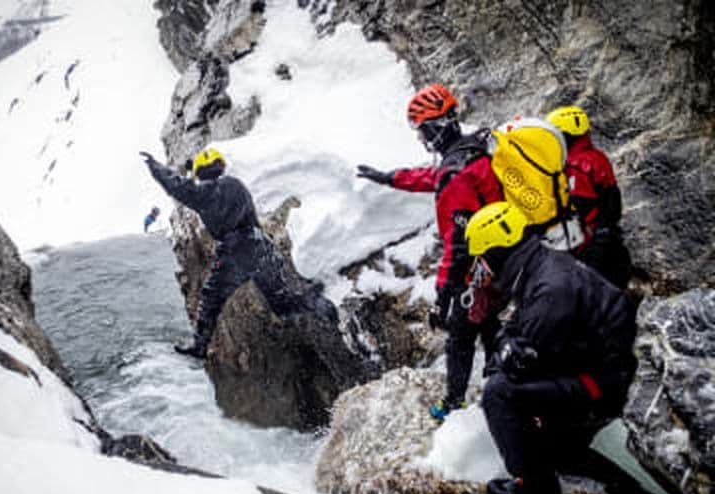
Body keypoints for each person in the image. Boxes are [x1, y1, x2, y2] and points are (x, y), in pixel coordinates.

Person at [464, 202, 667, 494]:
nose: (480, 266)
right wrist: (507, 346)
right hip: (606, 369)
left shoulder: (549, 289)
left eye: (482, 258)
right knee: (559, 450)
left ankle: (536, 490)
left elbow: (522, 362)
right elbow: (515, 332)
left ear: (497, 252)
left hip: (603, 382)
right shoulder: (542, 266)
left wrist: (505, 350)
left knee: (499, 394)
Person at [356, 83, 503, 420]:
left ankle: (456, 404)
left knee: (460, 336)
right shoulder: (473, 150)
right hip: (504, 254)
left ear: (435, 129)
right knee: (490, 323)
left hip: (482, 264)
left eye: (422, 131)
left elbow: (458, 242)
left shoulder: (456, 175)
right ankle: (499, 380)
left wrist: (442, 295)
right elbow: (433, 177)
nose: (421, 139)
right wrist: (389, 178)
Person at [140, 147, 336, 358]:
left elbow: (174, 186)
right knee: (282, 304)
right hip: (263, 247)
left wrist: (154, 165)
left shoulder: (202, 194)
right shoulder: (237, 185)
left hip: (235, 250)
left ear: (199, 173)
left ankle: (200, 346)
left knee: (210, 300)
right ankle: (315, 302)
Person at [546, 106, 631, 288]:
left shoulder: (576, 167)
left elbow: (578, 208)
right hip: (608, 241)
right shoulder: (597, 157)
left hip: (591, 248)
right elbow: (612, 201)